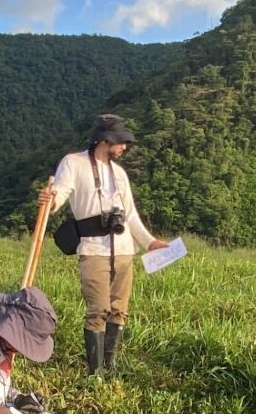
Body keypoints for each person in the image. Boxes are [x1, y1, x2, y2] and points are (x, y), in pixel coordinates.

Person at [41, 115, 169, 374]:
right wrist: (50, 201)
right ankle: (95, 371)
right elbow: (61, 194)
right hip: (93, 249)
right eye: (121, 142)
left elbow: (130, 214)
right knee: (98, 309)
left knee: (119, 310)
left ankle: (110, 366)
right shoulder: (74, 163)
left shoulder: (120, 173)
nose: (124, 148)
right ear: (106, 140)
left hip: (123, 250)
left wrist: (150, 242)